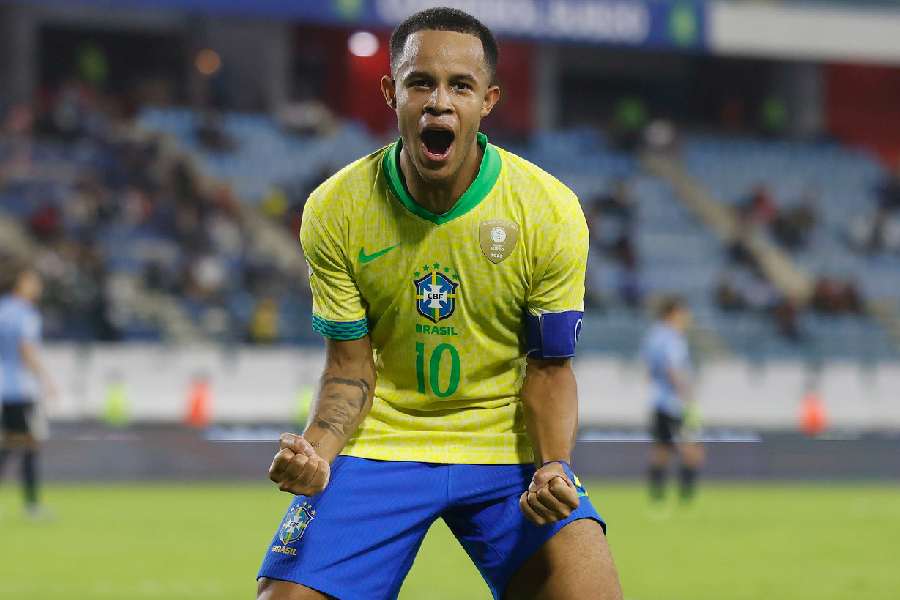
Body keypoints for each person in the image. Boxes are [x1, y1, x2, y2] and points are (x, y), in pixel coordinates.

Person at [258, 8, 622, 600]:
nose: (438, 102)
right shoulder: (337, 208)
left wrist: (554, 464)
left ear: (489, 100)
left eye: (460, 85)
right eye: (420, 82)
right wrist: (317, 454)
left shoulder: (548, 210)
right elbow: (349, 367)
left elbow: (550, 368)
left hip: (507, 451)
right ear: (391, 92)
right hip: (382, 442)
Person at [0, 265, 56, 519]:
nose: (38, 288)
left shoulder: (3, 308)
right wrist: (45, 378)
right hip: (18, 388)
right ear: (21, 283)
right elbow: (26, 351)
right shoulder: (26, 313)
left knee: (11, 443)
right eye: (34, 282)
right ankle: (32, 505)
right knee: (26, 444)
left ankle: (31, 503)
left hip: (3, 387)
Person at [642, 297, 702, 510]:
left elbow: (648, 370)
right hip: (674, 403)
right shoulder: (672, 337)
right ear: (673, 313)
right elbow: (673, 370)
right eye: (683, 313)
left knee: (661, 449)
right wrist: (688, 397)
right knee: (692, 449)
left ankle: (657, 500)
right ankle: (686, 502)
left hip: (658, 401)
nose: (687, 318)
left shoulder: (653, 335)